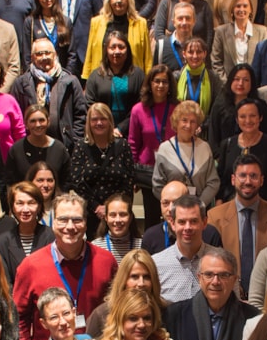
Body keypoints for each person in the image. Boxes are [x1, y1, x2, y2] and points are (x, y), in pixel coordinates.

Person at [13, 191, 117, 340]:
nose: (70, 227)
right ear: (53, 223)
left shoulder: (106, 262)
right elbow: (19, 319)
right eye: (63, 219)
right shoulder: (30, 266)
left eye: (77, 220)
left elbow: (117, 310)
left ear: (86, 223)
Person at [163, 248, 260, 340]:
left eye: (224, 275)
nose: (215, 282)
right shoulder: (174, 316)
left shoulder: (254, 318)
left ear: (234, 280)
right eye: (208, 275)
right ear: (199, 278)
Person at [207, 154, 267, 293]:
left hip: (266, 293)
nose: (248, 181)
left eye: (253, 176)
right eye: (243, 176)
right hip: (228, 293)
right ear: (233, 180)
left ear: (262, 180)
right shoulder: (215, 217)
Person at [10, 39, 84, 150]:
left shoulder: (70, 81)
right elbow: (15, 117)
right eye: (39, 54)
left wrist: (75, 141)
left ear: (55, 55)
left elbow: (81, 115)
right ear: (32, 57)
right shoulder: (21, 83)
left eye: (48, 53)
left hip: (65, 147)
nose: (44, 57)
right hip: (31, 146)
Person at [67, 102, 136, 222]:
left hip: (118, 213)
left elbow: (129, 180)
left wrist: (112, 207)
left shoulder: (123, 145)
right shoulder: (80, 147)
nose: (99, 123)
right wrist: (96, 206)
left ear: (110, 121)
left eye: (103, 119)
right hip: (90, 212)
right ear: (89, 123)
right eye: (94, 119)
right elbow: (77, 182)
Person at [129, 64, 178, 227]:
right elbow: (133, 142)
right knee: (151, 217)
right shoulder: (138, 110)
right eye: (157, 81)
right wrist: (133, 174)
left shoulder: (177, 108)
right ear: (149, 83)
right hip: (147, 171)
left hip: (172, 170)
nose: (160, 85)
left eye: (165, 82)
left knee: (174, 215)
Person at [215, 98, 267, 205]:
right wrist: (219, 203)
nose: (248, 121)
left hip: (262, 208)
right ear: (237, 120)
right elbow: (221, 180)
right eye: (242, 116)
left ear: (260, 118)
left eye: (252, 116)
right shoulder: (227, 144)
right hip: (230, 206)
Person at [86, 248, 166, 340]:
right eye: (134, 277)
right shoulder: (102, 314)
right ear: (123, 280)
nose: (141, 283)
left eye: (147, 277)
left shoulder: (165, 311)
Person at [152, 101, 219, 209]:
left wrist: (199, 205)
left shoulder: (205, 147)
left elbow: (213, 182)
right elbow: (157, 185)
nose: (188, 125)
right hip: (173, 211)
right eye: (184, 120)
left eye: (193, 122)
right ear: (176, 122)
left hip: (199, 209)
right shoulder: (165, 149)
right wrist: (173, 206)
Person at [84, 0, 153, 80]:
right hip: (102, 80)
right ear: (109, 0)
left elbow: (147, 59)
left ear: (129, 0)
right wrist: (87, 78)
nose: (119, 0)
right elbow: (89, 55)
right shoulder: (96, 22)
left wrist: (148, 81)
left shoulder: (141, 23)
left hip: (132, 81)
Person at [0, 180, 55, 284]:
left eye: (31, 203)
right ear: (12, 207)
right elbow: (5, 283)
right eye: (20, 203)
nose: (25, 209)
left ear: (39, 206)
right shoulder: (1, 242)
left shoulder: (52, 237)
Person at [153, 195, 213, 303]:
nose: (187, 227)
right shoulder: (156, 265)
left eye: (193, 221)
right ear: (172, 223)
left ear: (204, 222)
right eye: (182, 222)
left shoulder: (221, 263)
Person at [84, 29, 146, 134]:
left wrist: (121, 128)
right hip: (101, 131)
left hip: (132, 130)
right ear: (106, 50)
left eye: (121, 47)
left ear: (128, 50)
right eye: (112, 47)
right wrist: (107, 128)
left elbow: (141, 104)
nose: (117, 51)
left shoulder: (138, 75)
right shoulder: (95, 76)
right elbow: (90, 105)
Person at [142, 179, 224, 254]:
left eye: (176, 202)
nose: (170, 209)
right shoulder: (150, 236)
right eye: (165, 203)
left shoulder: (210, 234)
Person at [207, 64, 267, 156]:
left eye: (246, 80)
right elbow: (213, 136)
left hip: (255, 157)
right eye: (236, 79)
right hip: (225, 157)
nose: (240, 83)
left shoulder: (260, 106)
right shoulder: (220, 105)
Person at [4, 103, 70, 190]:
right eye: (33, 121)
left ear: (48, 122)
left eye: (41, 120)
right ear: (26, 124)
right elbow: (10, 182)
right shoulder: (16, 150)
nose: (38, 125)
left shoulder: (59, 149)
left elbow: (66, 182)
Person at [210, 0, 267, 89]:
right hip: (227, 88)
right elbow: (216, 61)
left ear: (251, 10)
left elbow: (264, 62)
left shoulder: (262, 31)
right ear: (232, 10)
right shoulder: (221, 32)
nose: (241, 9)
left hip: (254, 87)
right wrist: (228, 85)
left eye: (245, 6)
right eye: (238, 6)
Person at [173, 37, 217, 118]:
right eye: (190, 52)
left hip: (205, 124)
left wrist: (204, 124)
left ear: (205, 54)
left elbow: (216, 109)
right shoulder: (176, 77)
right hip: (181, 123)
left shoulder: (213, 78)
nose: (195, 56)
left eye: (199, 52)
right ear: (184, 54)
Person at [93, 192, 143, 261]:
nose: (118, 220)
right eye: (113, 215)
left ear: (130, 217)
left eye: (123, 214)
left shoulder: (142, 245)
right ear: (106, 218)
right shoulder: (95, 247)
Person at [154, 1, 199, 74]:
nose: (184, 22)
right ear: (173, 22)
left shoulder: (199, 47)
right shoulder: (161, 46)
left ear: (194, 21)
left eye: (188, 18)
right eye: (180, 18)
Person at [26, 160, 60, 227]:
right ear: (30, 182)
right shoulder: (23, 209)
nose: (45, 185)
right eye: (40, 180)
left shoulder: (64, 207)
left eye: (50, 180)